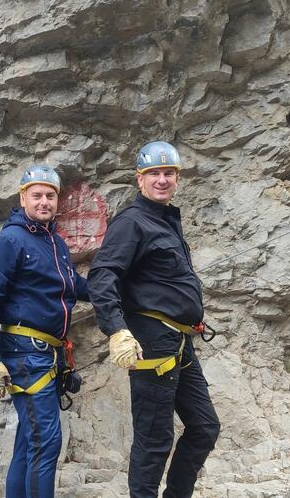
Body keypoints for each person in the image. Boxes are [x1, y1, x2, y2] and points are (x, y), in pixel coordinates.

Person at [88, 142, 221, 498]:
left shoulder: (165, 220)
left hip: (179, 341)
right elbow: (102, 276)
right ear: (140, 179)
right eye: (154, 174)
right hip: (152, 341)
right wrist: (116, 330)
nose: (161, 180)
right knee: (154, 438)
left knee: (205, 427)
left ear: (177, 178)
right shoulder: (132, 222)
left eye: (168, 173)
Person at [0, 164, 90, 498]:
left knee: (30, 441)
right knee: (46, 442)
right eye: (36, 195)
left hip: (48, 356)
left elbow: (72, 286)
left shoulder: (55, 243)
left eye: (50, 196)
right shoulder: (10, 241)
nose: (44, 202)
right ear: (23, 197)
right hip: (25, 355)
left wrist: (111, 289)